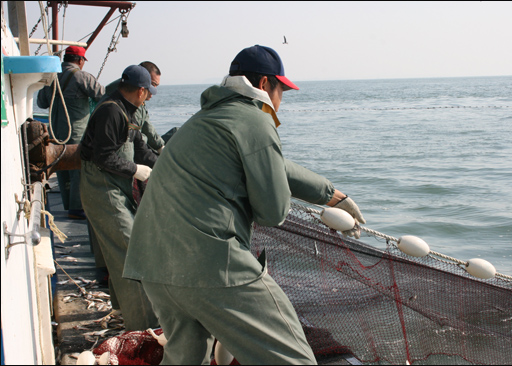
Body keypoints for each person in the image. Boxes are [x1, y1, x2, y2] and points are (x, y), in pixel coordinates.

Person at [123, 45, 366, 364]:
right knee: (293, 358)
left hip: (154, 263)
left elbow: (274, 164)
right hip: (209, 264)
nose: (281, 102)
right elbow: (274, 212)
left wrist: (332, 195)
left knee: (185, 357)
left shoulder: (206, 119)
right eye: (282, 91)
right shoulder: (255, 118)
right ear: (265, 85)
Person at [79, 65, 159, 331]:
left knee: (119, 249)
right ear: (140, 90)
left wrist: (163, 167)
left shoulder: (128, 110)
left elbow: (140, 148)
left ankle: (122, 308)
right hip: (102, 189)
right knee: (131, 253)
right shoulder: (111, 111)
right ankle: (143, 327)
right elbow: (103, 157)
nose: (148, 97)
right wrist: (136, 170)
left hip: (117, 187)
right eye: (148, 92)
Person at [37, 45, 105, 219]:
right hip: (75, 132)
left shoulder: (51, 77)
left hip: (55, 132)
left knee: (60, 165)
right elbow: (103, 95)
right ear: (80, 61)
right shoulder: (82, 77)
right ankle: (77, 207)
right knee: (78, 168)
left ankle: (68, 204)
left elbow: (42, 103)